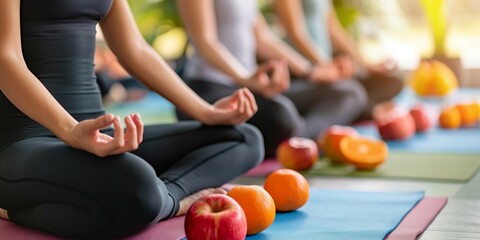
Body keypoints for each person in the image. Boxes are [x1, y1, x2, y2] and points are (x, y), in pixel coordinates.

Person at [0, 0, 263, 238]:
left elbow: (135, 50)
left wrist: (206, 111)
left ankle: (165, 194)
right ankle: (169, 200)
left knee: (242, 136)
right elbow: (5, 58)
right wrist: (70, 130)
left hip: (97, 135)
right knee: (138, 188)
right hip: (23, 142)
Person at [175, 0, 368, 157]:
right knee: (280, 113)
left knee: (349, 92)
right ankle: (300, 140)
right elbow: (205, 42)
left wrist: (311, 71)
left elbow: (264, 39)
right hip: (210, 90)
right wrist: (244, 78)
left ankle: (297, 143)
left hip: (250, 88)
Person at [273, 0, 404, 120]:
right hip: (305, 69)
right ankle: (367, 109)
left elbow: (335, 30)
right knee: (352, 91)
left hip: (328, 65)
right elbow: (295, 32)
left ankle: (360, 107)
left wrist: (365, 65)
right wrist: (325, 65)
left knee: (395, 80)